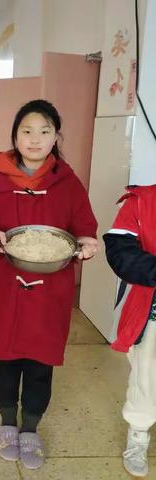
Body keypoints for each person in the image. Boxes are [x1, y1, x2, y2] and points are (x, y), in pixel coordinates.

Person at [0, 99, 99, 469]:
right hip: (4, 285)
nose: (35, 139)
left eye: (45, 131)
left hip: (51, 289)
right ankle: (7, 422)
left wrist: (88, 241)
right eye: (27, 130)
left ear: (56, 137)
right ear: (15, 135)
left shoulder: (68, 182)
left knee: (41, 360)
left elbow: (83, 225)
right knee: (6, 357)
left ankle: (31, 428)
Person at [104, 184, 156, 478]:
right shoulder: (143, 201)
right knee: (146, 374)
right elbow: (121, 252)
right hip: (152, 309)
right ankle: (139, 435)